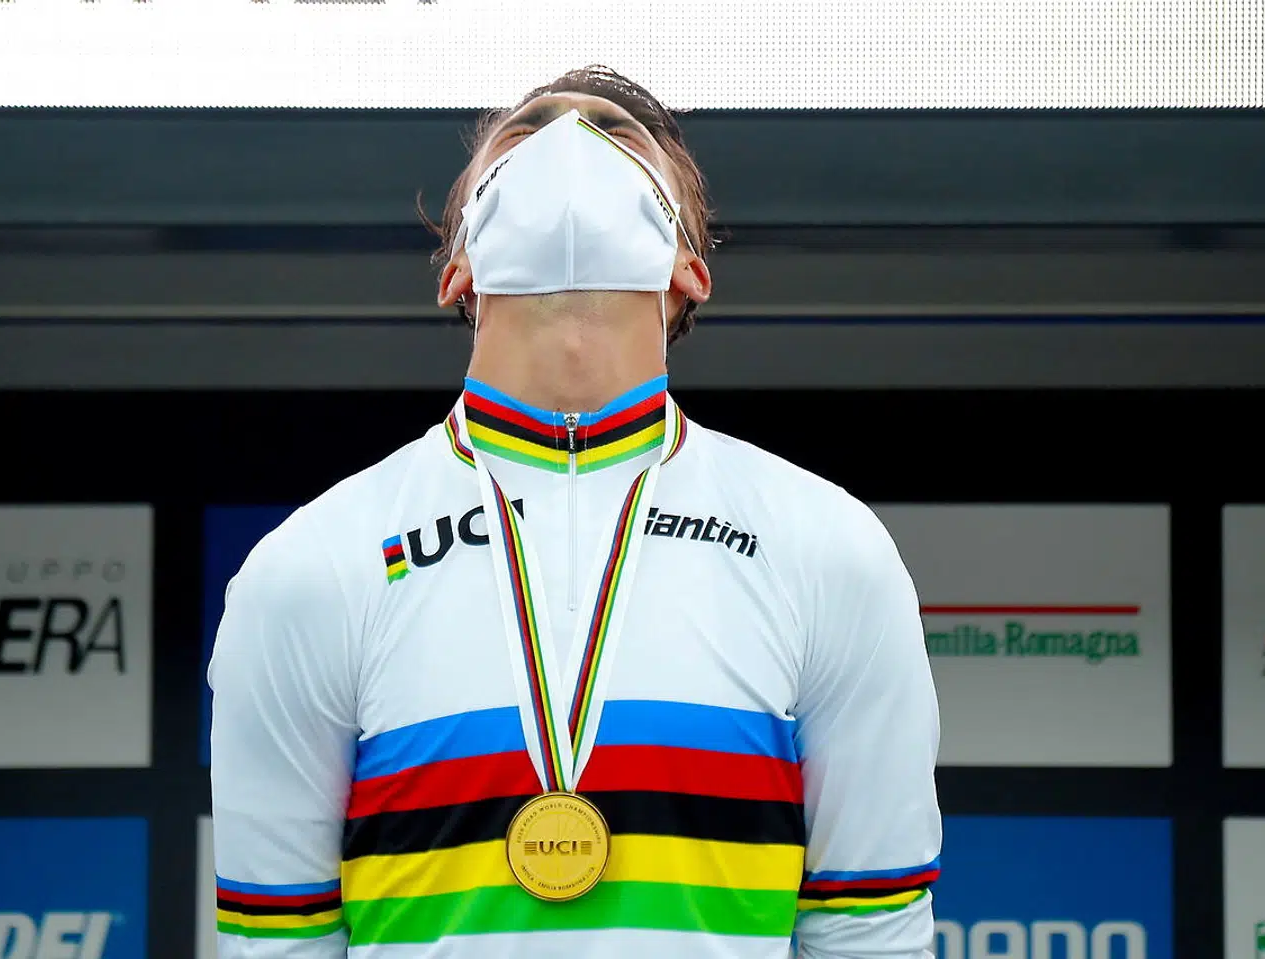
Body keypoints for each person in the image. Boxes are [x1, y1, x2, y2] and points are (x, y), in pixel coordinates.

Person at [208, 65, 942, 959]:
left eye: (616, 133)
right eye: (523, 137)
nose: (568, 134)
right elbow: (276, 944)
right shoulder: (310, 567)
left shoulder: (828, 549)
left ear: (688, 268)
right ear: (459, 269)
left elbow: (868, 934)